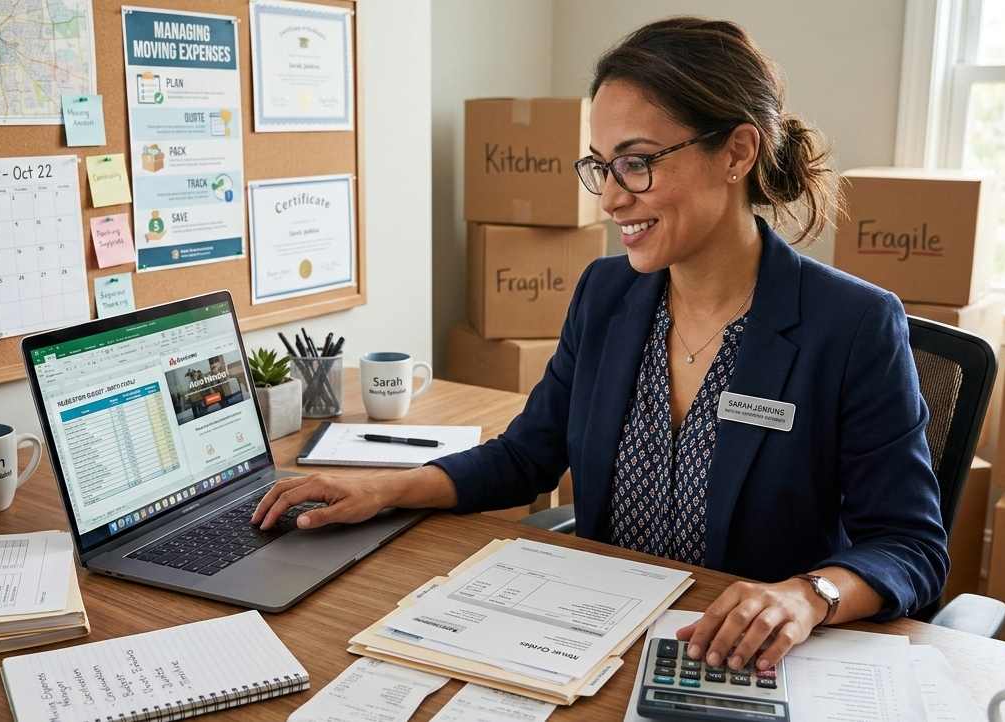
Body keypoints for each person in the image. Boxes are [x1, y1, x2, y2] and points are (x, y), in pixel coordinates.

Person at [253, 17, 947, 674]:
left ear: (736, 152)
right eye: (600, 166)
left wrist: (806, 595)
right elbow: (528, 454)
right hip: (593, 641)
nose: (610, 199)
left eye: (637, 163)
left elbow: (910, 546)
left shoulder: (849, 325)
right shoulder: (607, 294)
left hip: (737, 659)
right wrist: (382, 491)